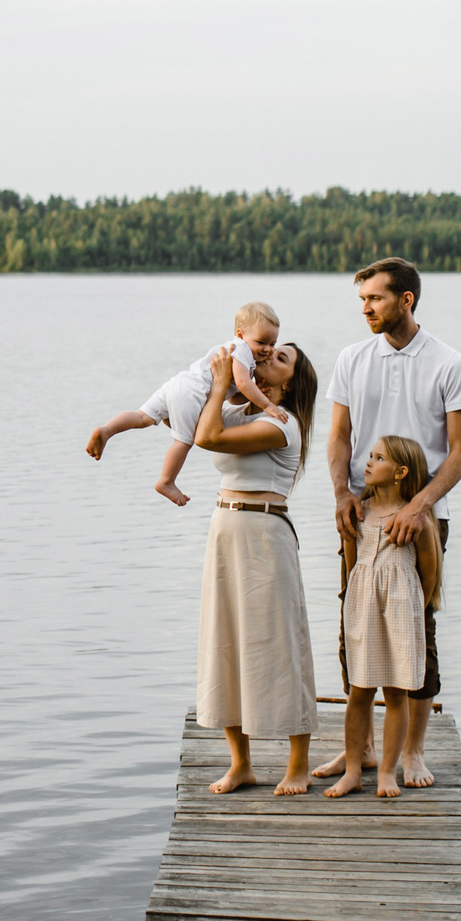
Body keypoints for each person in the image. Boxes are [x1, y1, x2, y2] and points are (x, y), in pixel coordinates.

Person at [318, 256, 461, 790]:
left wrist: (419, 506)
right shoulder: (351, 359)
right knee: (353, 623)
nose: (366, 309)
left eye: (375, 299)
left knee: (417, 628)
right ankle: (355, 752)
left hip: (423, 519)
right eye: (362, 300)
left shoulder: (450, 364)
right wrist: (341, 491)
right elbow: (339, 438)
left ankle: (411, 752)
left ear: (406, 300)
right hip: (360, 517)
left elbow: (458, 454)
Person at [185, 338, 321, 795]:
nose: (267, 357)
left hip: (265, 534)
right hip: (224, 529)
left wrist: (225, 381)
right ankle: (240, 763)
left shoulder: (284, 424)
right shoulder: (242, 409)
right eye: (268, 351)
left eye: (280, 358)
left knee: (280, 644)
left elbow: (207, 438)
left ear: (292, 382)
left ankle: (297, 764)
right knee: (224, 641)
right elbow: (187, 420)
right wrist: (218, 381)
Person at [323, 436, 444, 799]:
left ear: (401, 472)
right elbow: (350, 562)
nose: (369, 462)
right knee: (358, 691)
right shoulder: (357, 511)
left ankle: (388, 771)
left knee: (395, 694)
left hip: (400, 611)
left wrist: (408, 604)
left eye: (379, 458)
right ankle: (355, 770)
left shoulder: (415, 518)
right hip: (362, 608)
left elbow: (429, 571)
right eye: (370, 456)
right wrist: (354, 604)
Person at [85, 302, 281, 505]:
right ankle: (166, 481)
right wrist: (268, 405)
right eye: (262, 342)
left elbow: (233, 396)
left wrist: (254, 394)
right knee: (183, 442)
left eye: (273, 344)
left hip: (179, 384)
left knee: (142, 416)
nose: (268, 349)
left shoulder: (239, 351)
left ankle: (107, 430)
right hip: (193, 393)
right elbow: (242, 382)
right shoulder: (241, 351)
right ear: (240, 334)